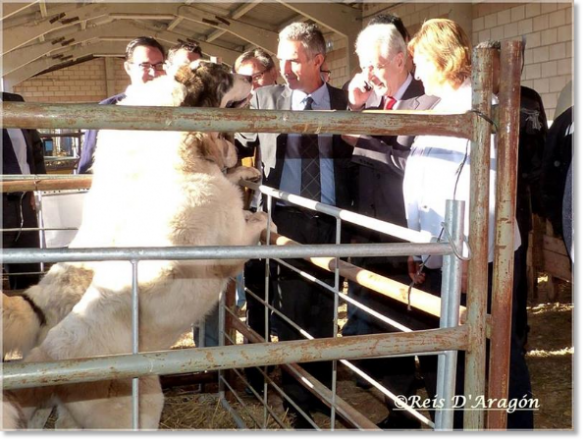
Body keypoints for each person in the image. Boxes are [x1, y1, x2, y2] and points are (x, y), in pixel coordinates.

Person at [407, 18, 532, 429]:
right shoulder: (442, 110)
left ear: (439, 58)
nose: (417, 71)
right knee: (460, 355)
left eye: (420, 61)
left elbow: (488, 190)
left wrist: (469, 262)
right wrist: (420, 252)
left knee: (498, 355)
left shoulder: (482, 109)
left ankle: (514, 429)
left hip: (479, 260)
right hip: (447, 259)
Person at [235, 22, 356, 428]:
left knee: (325, 308)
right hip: (285, 220)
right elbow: (235, 139)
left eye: (292, 59)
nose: (283, 66)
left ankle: (319, 390)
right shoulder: (265, 98)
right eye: (281, 57)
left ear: (317, 60)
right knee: (289, 312)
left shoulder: (345, 103)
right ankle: (296, 400)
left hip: (334, 217)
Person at [339, 21, 440, 429]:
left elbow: (414, 166)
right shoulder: (376, 102)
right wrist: (356, 112)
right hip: (373, 231)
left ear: (401, 59)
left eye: (377, 65)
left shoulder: (429, 101)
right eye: (364, 66)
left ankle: (438, 410)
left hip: (411, 234)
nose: (370, 74)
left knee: (423, 325)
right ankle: (401, 408)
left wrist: (360, 141)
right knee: (383, 321)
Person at [476, 40, 549, 350]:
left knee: (515, 275)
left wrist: (532, 187)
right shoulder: (478, 102)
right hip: (483, 199)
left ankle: (516, 341)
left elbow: (541, 146)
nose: (507, 69)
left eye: (513, 62)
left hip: (518, 198)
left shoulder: (529, 99)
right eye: (497, 63)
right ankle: (487, 338)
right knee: (488, 273)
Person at [77, 36, 166, 174]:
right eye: (145, 65)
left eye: (159, 65)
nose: (153, 72)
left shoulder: (174, 110)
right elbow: (87, 167)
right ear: (128, 68)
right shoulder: (105, 110)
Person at [2, 92, 47, 290]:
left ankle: (26, 319)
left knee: (28, 272)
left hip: (24, 200)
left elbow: (35, 147)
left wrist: (37, 188)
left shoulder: (14, 102)